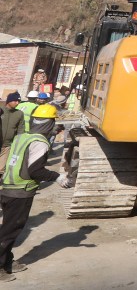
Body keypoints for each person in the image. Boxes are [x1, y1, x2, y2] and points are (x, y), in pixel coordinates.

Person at [0, 104, 72, 280]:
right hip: (21, 191)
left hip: (7, 187)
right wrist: (57, 177)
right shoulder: (39, 143)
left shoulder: (22, 137)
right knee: (9, 231)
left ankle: (7, 261)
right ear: (49, 124)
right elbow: (36, 171)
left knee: (8, 228)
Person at [0, 95, 24, 180]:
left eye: (19, 101)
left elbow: (21, 129)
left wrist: (18, 142)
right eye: (15, 101)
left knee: (1, 168)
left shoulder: (19, 113)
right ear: (9, 101)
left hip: (7, 145)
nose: (17, 103)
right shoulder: (1, 110)